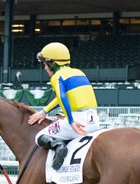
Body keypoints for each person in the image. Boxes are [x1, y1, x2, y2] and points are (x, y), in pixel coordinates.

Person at [27, 42, 100, 170]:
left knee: (39, 136)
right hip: (94, 121)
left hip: (77, 121)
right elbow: (63, 97)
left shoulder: (56, 77)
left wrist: (71, 121)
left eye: (45, 63)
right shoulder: (78, 72)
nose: (44, 68)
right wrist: (44, 111)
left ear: (52, 63)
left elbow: (62, 97)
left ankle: (58, 146)